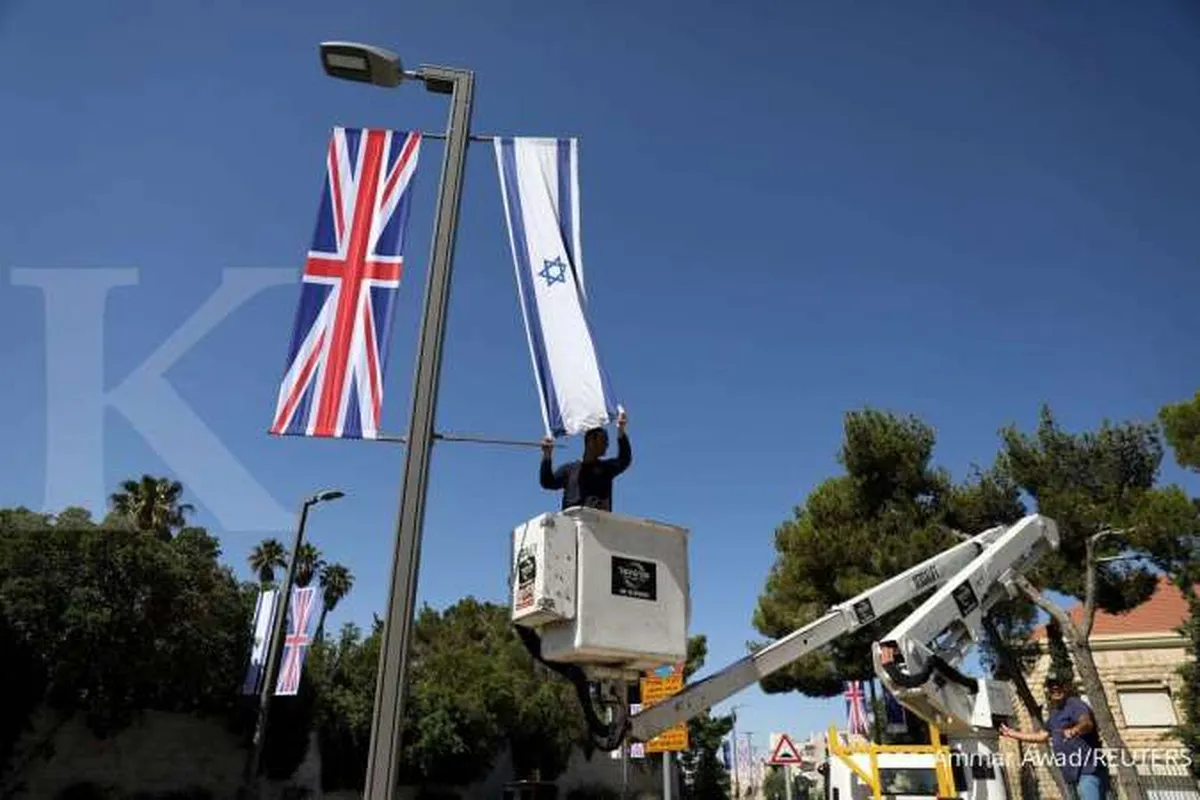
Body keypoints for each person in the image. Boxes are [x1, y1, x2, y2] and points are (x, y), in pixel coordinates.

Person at [999, 673, 1111, 800]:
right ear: (1049, 691)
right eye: (1052, 687)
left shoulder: (1074, 704)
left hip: (1087, 770)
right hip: (1070, 774)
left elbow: (1087, 723)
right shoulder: (1055, 715)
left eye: (1059, 686)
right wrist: (1012, 734)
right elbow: (1041, 736)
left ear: (1066, 687)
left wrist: (1075, 730)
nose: (1056, 689)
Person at [539, 408, 631, 512]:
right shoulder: (569, 470)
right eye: (604, 441)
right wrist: (547, 455)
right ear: (591, 441)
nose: (607, 445)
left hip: (599, 524)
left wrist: (621, 430)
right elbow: (547, 482)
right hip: (572, 524)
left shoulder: (606, 469)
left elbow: (625, 460)